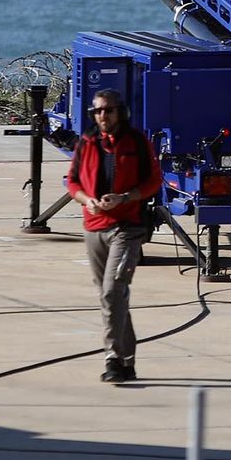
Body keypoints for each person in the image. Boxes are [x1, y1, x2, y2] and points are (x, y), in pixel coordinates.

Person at [65, 89, 162, 384]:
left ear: (121, 112)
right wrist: (86, 200)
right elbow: (72, 181)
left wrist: (125, 198)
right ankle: (127, 361)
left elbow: (154, 181)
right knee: (113, 298)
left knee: (112, 292)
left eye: (108, 110)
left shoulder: (136, 142)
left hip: (126, 228)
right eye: (97, 111)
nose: (102, 116)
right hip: (94, 227)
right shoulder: (87, 143)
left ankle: (112, 357)